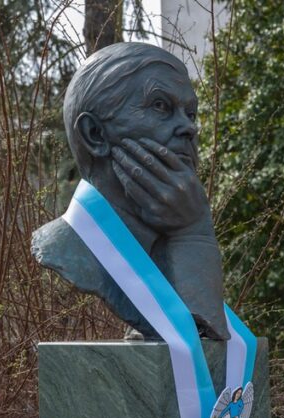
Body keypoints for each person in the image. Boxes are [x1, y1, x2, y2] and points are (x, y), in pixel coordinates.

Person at [31, 42, 228, 340]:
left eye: (191, 113)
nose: (189, 128)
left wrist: (193, 233)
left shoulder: (180, 231)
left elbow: (202, 341)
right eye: (161, 106)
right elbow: (189, 337)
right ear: (95, 134)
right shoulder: (68, 246)